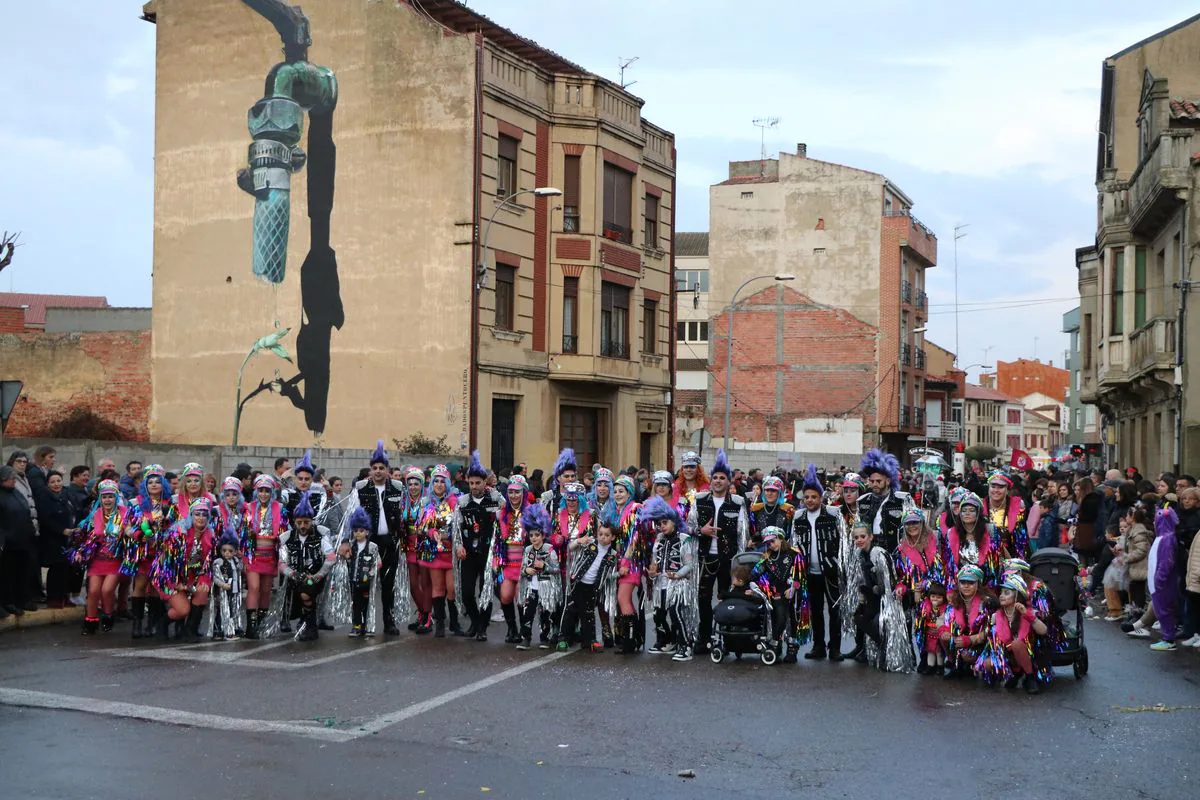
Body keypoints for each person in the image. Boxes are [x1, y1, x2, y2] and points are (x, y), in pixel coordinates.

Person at [340, 441, 412, 637]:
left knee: (388, 586)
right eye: (375, 468)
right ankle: (360, 624)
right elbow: (350, 517)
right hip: (365, 545)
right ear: (370, 470)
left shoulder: (398, 488)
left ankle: (389, 622)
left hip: (390, 543)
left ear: (388, 470)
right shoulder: (361, 488)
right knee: (362, 585)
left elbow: (406, 515)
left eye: (382, 468)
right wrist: (347, 541)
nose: (378, 471)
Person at [686, 449, 748, 654]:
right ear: (710, 480)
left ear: (729, 482)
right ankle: (704, 638)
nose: (718, 481)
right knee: (702, 599)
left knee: (727, 599)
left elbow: (742, 534)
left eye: (723, 478)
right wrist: (700, 530)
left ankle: (727, 639)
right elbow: (688, 528)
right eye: (715, 477)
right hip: (704, 559)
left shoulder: (738, 503)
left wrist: (739, 564)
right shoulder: (700, 500)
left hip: (727, 561)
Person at [791, 464, 846, 662]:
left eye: (814, 497)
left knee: (834, 610)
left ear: (821, 497)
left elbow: (844, 543)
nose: (810, 500)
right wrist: (796, 571)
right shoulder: (798, 517)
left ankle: (835, 648)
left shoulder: (833, 514)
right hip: (809, 572)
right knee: (814, 611)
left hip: (831, 571)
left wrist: (842, 567)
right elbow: (794, 544)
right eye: (806, 497)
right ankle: (819, 646)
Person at [843, 521, 913, 672]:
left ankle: (890, 652)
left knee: (877, 623)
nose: (859, 540)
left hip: (887, 599)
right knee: (858, 617)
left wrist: (875, 590)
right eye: (856, 538)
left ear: (870, 537)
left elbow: (888, 584)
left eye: (863, 536)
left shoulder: (879, 554)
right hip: (871, 597)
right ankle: (880, 648)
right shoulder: (858, 554)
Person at [150, 497, 215, 643]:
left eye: (205, 514)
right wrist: (176, 584)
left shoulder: (210, 536)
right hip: (166, 578)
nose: (201, 518)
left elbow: (207, 564)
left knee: (203, 590)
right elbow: (166, 563)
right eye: (197, 514)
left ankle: (189, 630)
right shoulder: (178, 534)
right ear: (191, 515)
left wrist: (203, 580)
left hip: (189, 578)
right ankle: (162, 624)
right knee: (182, 610)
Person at [454, 451, 503, 642]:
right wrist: (458, 545)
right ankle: (474, 621)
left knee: (486, 591)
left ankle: (482, 627)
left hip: (489, 553)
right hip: (468, 553)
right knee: (467, 592)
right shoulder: (462, 503)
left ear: (485, 482)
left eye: (478, 483)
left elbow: (507, 520)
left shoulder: (496, 500)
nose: (474, 486)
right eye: (471, 483)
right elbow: (456, 528)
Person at [644, 496, 700, 661]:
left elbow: (689, 564)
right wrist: (652, 571)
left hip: (678, 584)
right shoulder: (658, 540)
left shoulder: (684, 540)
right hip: (660, 583)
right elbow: (654, 561)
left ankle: (685, 645)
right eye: (659, 524)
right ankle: (666, 641)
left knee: (676, 613)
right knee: (658, 614)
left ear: (674, 522)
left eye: (665, 523)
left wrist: (678, 574)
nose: (662, 526)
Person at [973, 573, 1047, 694]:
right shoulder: (996, 616)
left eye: (1007, 593)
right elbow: (987, 636)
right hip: (1006, 654)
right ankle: (1016, 673)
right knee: (987, 663)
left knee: (1017, 643)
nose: (1001, 596)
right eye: (1001, 592)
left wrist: (1027, 616)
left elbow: (1043, 631)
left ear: (1017, 596)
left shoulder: (1029, 612)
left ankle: (1030, 677)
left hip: (1030, 654)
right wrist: (969, 642)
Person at [274, 494, 334, 640]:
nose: (302, 526)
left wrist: (318, 575)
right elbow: (280, 562)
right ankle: (303, 622)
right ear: (294, 521)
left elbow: (331, 557)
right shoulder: (286, 537)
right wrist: (292, 574)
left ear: (312, 521)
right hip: (293, 578)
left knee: (306, 594)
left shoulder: (321, 535)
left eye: (306, 522)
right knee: (297, 600)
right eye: (299, 522)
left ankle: (311, 626)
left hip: (314, 578)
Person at [556, 520, 618, 653]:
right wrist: (578, 541)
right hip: (577, 581)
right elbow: (569, 548)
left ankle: (588, 640)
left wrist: (619, 573)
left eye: (606, 535)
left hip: (593, 587)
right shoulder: (590, 543)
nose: (602, 537)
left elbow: (611, 575)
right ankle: (563, 639)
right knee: (570, 610)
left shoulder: (612, 555)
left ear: (612, 537)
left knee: (588, 613)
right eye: (600, 534)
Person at [749, 526, 809, 663]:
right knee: (780, 618)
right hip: (776, 592)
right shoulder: (767, 557)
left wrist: (794, 587)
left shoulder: (795, 554)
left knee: (794, 619)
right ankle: (775, 644)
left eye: (773, 541)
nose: (771, 545)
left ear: (781, 538)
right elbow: (755, 572)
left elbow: (801, 575)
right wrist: (754, 584)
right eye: (768, 543)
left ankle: (792, 649)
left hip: (793, 593)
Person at [130, 465, 176, 639]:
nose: (154, 485)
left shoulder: (170, 504)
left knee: (156, 589)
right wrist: (140, 534)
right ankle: (137, 624)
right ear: (145, 485)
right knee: (140, 586)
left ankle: (152, 623)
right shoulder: (137, 504)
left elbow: (177, 527)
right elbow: (128, 527)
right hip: (144, 552)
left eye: (158, 481)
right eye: (150, 482)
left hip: (162, 553)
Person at [488, 473, 531, 644]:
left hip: (524, 563)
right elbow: (496, 540)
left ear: (524, 493)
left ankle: (522, 630)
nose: (514, 496)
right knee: (505, 596)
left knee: (521, 600)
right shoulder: (501, 515)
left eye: (517, 492)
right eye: (511, 492)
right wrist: (495, 561)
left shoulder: (532, 514)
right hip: (507, 563)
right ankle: (511, 628)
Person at [420, 464, 460, 637]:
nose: (438, 484)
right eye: (436, 481)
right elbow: (424, 526)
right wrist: (432, 532)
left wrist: (449, 535)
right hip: (435, 551)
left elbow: (459, 525)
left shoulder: (454, 501)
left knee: (451, 588)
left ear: (447, 484)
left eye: (442, 481)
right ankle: (440, 624)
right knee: (438, 587)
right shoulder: (427, 502)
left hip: (450, 552)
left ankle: (454, 621)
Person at [244, 474, 287, 635]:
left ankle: (261, 624)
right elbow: (243, 533)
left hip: (270, 555)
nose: (264, 494)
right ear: (256, 491)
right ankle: (251, 625)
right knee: (254, 587)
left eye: (267, 491)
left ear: (272, 492)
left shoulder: (280, 508)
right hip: (253, 555)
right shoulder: (248, 508)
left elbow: (283, 532)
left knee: (266, 589)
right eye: (261, 490)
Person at [515, 503, 560, 650]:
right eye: (531, 535)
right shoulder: (527, 550)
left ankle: (544, 638)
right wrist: (526, 571)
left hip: (545, 588)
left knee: (545, 614)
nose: (534, 538)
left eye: (537, 535)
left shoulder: (549, 549)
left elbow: (556, 569)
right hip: (531, 588)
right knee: (527, 613)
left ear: (543, 535)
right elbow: (522, 568)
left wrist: (544, 566)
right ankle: (525, 638)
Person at [611, 474, 646, 653]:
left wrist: (625, 562)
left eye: (621, 491)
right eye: (615, 491)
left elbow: (634, 539)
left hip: (631, 563)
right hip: (620, 561)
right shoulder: (618, 510)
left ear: (630, 492)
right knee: (624, 601)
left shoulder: (634, 509)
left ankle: (629, 642)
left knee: (623, 598)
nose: (617, 494)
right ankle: (631, 639)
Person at [941, 564, 994, 679]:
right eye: (963, 582)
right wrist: (946, 632)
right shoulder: (954, 602)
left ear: (978, 584)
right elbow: (946, 622)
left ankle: (979, 667)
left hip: (982, 644)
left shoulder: (986, 603)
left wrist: (970, 640)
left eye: (970, 583)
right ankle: (957, 665)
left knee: (969, 655)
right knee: (944, 637)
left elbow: (991, 631)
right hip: (962, 640)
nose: (966, 586)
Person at [856, 449, 914, 554]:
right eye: (872, 481)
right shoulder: (863, 501)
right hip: (868, 555)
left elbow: (912, 528)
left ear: (888, 481)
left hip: (894, 555)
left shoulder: (902, 500)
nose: (874, 484)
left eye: (878, 481)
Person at [0, 465, 38, 617]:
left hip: (23, 542)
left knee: (20, 574)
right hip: (8, 544)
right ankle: (6, 602)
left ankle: (19, 601)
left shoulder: (16, 492)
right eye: (11, 478)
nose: (14, 480)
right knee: (6, 576)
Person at [942, 493, 1001, 590]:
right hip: (961, 583)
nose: (967, 513)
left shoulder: (990, 530)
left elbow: (996, 560)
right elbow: (949, 564)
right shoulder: (951, 533)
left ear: (978, 513)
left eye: (971, 510)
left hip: (985, 583)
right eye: (964, 511)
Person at [34, 469, 74, 610]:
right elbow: (45, 519)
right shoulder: (44, 498)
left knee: (65, 569)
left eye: (58, 481)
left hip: (67, 539)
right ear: (47, 484)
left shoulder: (65, 495)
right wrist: (61, 530)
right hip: (52, 539)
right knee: (56, 569)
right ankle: (54, 598)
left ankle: (64, 596)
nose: (56, 484)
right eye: (52, 482)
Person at [341, 508, 381, 638]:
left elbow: (378, 562)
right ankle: (356, 626)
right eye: (356, 531)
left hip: (367, 582)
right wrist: (346, 558)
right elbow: (347, 561)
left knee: (366, 604)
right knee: (356, 605)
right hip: (354, 580)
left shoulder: (373, 546)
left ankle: (367, 625)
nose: (358, 533)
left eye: (361, 531)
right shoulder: (351, 546)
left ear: (367, 531)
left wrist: (372, 573)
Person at [209, 529, 245, 640]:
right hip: (223, 592)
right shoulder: (219, 562)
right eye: (224, 550)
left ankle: (233, 629)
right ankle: (219, 631)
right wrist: (222, 585)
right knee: (223, 610)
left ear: (235, 551)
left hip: (234, 591)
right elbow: (215, 577)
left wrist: (241, 558)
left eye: (230, 551)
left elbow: (240, 569)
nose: (227, 553)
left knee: (234, 610)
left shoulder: (235, 561)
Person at [985, 471, 1028, 559]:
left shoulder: (1018, 506)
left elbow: (1020, 538)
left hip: (1011, 556)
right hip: (986, 557)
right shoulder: (980, 506)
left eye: (1001, 487)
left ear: (1007, 489)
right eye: (993, 486)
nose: (996, 490)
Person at [749, 475, 794, 550]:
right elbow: (754, 532)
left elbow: (790, 534)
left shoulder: (788, 510)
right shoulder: (756, 509)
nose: (769, 493)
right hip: (761, 550)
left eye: (773, 491)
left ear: (779, 493)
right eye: (767, 490)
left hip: (782, 550)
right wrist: (752, 540)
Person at [914, 581, 949, 675]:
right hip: (929, 633)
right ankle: (930, 666)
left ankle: (940, 667)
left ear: (943, 598)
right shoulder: (926, 606)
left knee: (939, 652)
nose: (935, 599)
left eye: (939, 597)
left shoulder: (945, 608)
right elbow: (918, 602)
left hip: (939, 633)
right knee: (930, 650)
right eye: (933, 596)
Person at [540, 448, 577, 514]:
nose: (570, 479)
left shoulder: (580, 497)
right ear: (558, 478)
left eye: (572, 476)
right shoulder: (548, 497)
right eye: (566, 476)